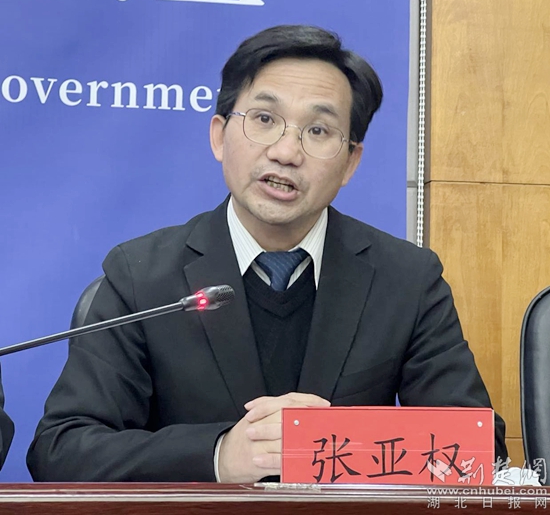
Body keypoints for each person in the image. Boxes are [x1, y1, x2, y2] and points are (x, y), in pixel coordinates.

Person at [27, 25, 507, 482]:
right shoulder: (141, 276)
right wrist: (219, 455)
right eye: (264, 120)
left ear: (350, 163)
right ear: (219, 135)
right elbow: (62, 450)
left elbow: (482, 451)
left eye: (318, 131)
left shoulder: (406, 280)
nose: (286, 152)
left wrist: (335, 444)